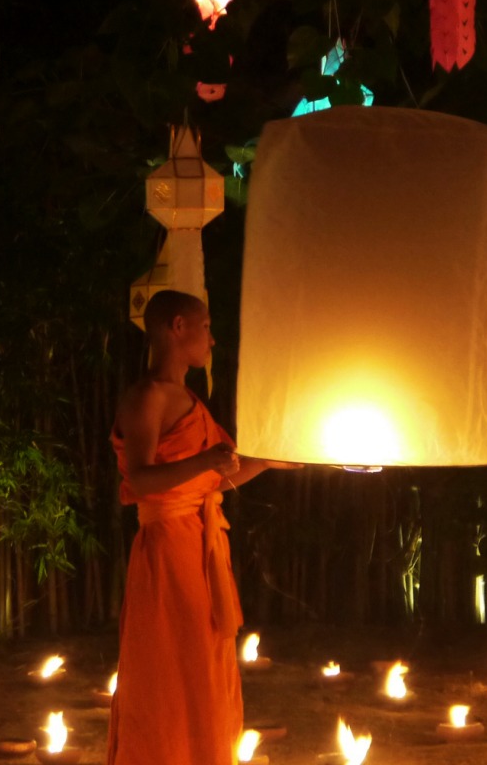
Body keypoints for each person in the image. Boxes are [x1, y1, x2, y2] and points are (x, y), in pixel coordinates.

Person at [107, 290, 291, 765]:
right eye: (205, 326)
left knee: (206, 665)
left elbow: (217, 476)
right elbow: (142, 479)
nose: (212, 339)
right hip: (166, 548)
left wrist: (268, 460)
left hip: (200, 542)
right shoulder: (146, 397)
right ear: (177, 327)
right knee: (171, 667)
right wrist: (205, 459)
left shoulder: (188, 399)